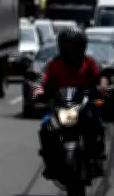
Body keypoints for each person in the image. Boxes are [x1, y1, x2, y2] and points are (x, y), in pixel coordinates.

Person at [32, 27, 108, 179]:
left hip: (83, 105)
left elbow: (101, 76)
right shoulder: (54, 64)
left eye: (76, 46)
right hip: (61, 106)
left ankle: (97, 158)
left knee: (97, 124)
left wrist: (102, 86)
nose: (72, 51)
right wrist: (38, 90)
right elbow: (42, 79)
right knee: (46, 128)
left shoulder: (89, 62)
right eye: (69, 46)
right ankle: (51, 164)